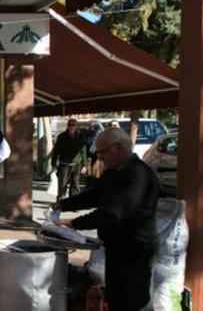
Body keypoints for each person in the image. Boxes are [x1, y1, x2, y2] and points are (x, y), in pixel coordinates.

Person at [52, 128, 159, 310]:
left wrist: (72, 224)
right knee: (116, 299)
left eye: (102, 152)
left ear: (118, 148)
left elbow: (112, 213)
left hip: (136, 252)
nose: (99, 157)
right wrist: (63, 204)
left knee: (133, 302)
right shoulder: (113, 171)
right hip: (115, 249)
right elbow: (93, 195)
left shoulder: (138, 174)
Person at [50, 119, 88, 201]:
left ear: (76, 126)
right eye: (70, 124)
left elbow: (83, 151)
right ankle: (60, 203)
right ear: (67, 125)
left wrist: (84, 165)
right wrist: (53, 165)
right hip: (64, 164)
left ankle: (74, 202)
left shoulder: (80, 137)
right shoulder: (62, 137)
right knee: (62, 185)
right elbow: (56, 151)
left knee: (75, 184)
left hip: (77, 165)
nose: (71, 126)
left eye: (73, 125)